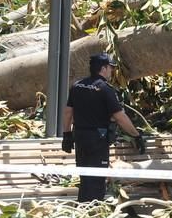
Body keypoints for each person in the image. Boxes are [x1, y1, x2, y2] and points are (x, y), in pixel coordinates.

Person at [62, 53, 146, 202]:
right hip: (97, 140)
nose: (112, 71)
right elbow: (120, 117)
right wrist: (136, 135)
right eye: (110, 68)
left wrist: (67, 135)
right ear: (103, 68)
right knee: (96, 181)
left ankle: (83, 209)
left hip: (80, 137)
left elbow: (68, 112)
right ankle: (92, 211)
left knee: (85, 178)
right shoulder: (105, 89)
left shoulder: (77, 85)